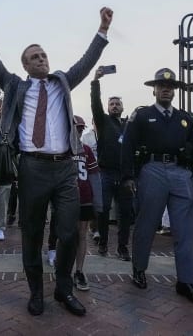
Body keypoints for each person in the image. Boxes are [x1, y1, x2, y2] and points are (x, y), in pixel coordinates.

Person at [0, 0, 113, 317]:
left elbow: (85, 63)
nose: (41, 59)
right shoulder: (15, 85)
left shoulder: (62, 80)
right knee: (33, 234)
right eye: (34, 57)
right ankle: (36, 291)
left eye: (43, 55)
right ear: (25, 64)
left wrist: (102, 29)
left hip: (64, 168)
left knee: (67, 232)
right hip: (32, 169)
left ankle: (64, 288)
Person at [121, 68, 193, 306]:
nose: (166, 89)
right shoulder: (142, 115)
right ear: (154, 89)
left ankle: (186, 281)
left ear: (175, 91)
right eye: (161, 85)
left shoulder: (185, 119)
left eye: (170, 86)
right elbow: (127, 146)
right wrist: (128, 177)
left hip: (181, 173)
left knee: (187, 231)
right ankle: (139, 269)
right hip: (152, 170)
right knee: (146, 224)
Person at [90, 68, 133, 260]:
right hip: (105, 174)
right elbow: (95, 104)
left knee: (125, 214)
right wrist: (95, 82)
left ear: (123, 107)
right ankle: (103, 245)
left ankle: (122, 248)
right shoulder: (103, 121)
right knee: (103, 210)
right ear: (107, 108)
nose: (115, 106)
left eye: (118, 104)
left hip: (124, 176)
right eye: (112, 104)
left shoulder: (128, 126)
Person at [71, 115, 101, 291]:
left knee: (82, 234)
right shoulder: (61, 149)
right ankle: (63, 268)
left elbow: (95, 177)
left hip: (85, 198)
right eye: (75, 127)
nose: (78, 131)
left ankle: (79, 271)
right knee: (66, 235)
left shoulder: (87, 150)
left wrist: (98, 201)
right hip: (66, 199)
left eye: (81, 128)